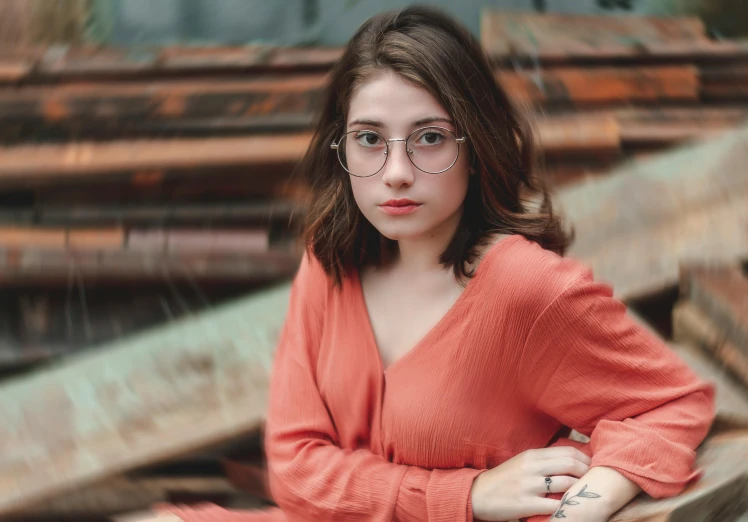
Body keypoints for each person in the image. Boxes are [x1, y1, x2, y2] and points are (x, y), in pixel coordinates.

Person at [137, 6, 715, 522]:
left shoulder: (526, 287)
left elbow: (672, 402)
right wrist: (467, 495)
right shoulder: (328, 264)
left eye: (429, 138)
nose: (395, 172)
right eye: (369, 139)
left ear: (478, 147)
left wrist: (588, 501)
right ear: (340, 149)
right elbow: (293, 474)